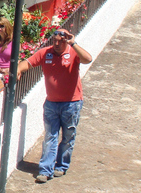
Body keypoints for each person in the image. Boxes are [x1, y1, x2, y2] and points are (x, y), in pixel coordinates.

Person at [16, 28, 92, 184]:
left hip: (72, 104)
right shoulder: (45, 53)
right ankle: (45, 170)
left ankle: (62, 165)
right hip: (51, 104)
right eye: (55, 41)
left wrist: (74, 43)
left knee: (68, 137)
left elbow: (87, 59)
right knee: (50, 136)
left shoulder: (73, 52)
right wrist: (18, 69)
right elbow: (28, 63)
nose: (57, 44)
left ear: (66, 41)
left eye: (61, 41)